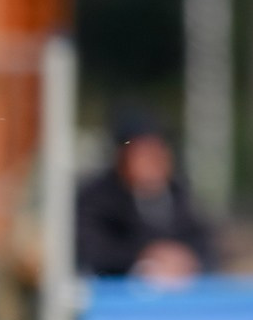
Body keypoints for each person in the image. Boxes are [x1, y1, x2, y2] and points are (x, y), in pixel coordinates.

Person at [75, 116, 217, 283]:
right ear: (123, 158)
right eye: (143, 154)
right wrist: (145, 256)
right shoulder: (96, 199)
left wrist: (186, 257)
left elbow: (205, 239)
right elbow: (93, 249)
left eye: (158, 153)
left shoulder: (179, 193)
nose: (152, 162)